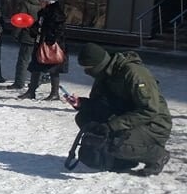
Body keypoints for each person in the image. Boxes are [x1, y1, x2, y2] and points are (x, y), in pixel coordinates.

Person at [65, 43, 171, 175]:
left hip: (153, 124)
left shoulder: (134, 74)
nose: (87, 72)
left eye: (89, 68)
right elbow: (100, 103)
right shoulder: (104, 73)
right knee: (85, 118)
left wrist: (112, 126)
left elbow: (149, 110)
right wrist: (81, 103)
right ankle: (122, 159)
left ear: (98, 64)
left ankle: (157, 155)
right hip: (126, 117)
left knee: (116, 144)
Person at [18, 0, 68, 100]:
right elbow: (39, 26)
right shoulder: (43, 12)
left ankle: (54, 93)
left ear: (47, 0)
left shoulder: (56, 13)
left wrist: (50, 40)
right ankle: (31, 91)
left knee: (53, 69)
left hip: (52, 46)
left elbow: (57, 30)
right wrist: (32, 29)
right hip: (40, 44)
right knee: (35, 67)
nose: (39, 1)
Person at [8, 0, 41, 90]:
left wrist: (15, 34)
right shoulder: (41, 4)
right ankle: (36, 81)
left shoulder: (25, 4)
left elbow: (20, 20)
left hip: (27, 35)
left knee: (23, 60)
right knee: (37, 60)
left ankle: (19, 82)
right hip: (38, 36)